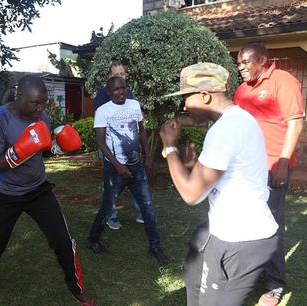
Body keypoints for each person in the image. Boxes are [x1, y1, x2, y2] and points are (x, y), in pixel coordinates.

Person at [0, 75, 96, 306]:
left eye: (44, 103)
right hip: (5, 193)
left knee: (63, 241)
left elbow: (41, 149)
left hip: (38, 190)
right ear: (19, 96)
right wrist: (18, 152)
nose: (41, 109)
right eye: (36, 103)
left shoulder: (41, 116)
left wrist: (57, 148)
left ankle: (77, 288)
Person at [159, 62, 279, 305]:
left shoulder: (226, 129)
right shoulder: (239, 120)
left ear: (204, 95)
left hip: (241, 239)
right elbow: (220, 178)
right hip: (233, 231)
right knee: (194, 281)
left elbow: (192, 194)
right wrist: (194, 168)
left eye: (187, 97)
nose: (184, 105)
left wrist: (168, 145)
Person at [234, 43, 305, 306]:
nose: (241, 67)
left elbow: (295, 122)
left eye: (246, 62)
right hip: (247, 168)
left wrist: (283, 163)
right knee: (247, 223)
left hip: (273, 166)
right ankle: (252, 274)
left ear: (263, 60)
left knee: (271, 223)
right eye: (239, 63)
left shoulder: (283, 81)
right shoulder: (242, 90)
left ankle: (275, 284)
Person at [87, 76, 169, 265]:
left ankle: (155, 246)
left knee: (147, 206)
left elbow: (141, 131)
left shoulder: (134, 105)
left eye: (123, 88)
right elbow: (100, 141)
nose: (121, 92)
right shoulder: (103, 111)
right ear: (109, 92)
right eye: (116, 89)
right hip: (115, 170)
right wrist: (117, 166)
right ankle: (93, 239)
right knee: (108, 207)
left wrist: (148, 156)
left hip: (136, 167)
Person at [94, 61, 144, 230]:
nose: (120, 77)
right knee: (111, 184)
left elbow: (136, 123)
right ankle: (111, 216)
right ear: (110, 77)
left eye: (122, 74)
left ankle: (140, 212)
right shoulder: (102, 96)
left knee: (136, 180)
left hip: (130, 149)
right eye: (116, 74)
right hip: (110, 150)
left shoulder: (130, 95)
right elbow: (102, 126)